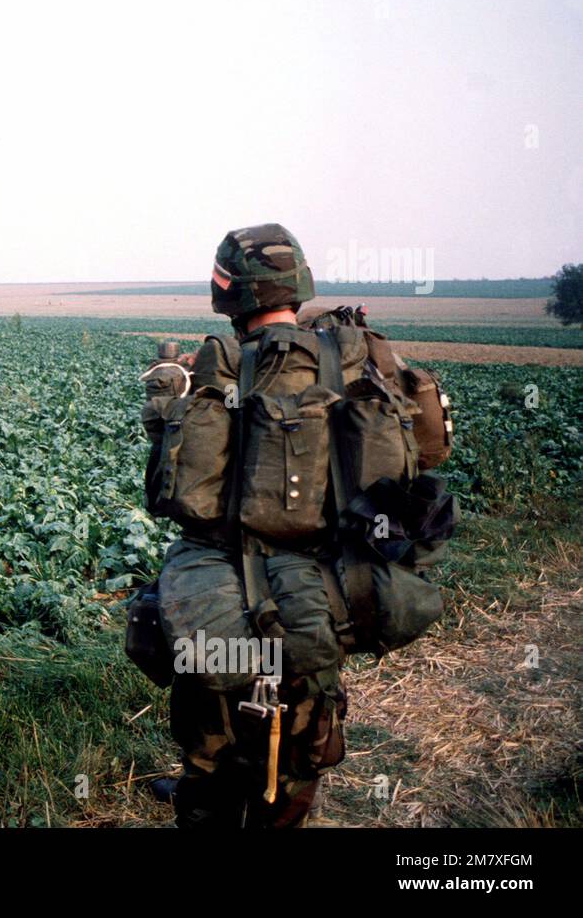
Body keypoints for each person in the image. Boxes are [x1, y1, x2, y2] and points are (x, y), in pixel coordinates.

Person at [144, 224, 352, 828]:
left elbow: (178, 496)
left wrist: (166, 411)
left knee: (211, 732)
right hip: (320, 589)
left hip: (227, 585)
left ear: (230, 292)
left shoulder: (224, 365)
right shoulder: (349, 356)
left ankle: (209, 801)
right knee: (302, 748)